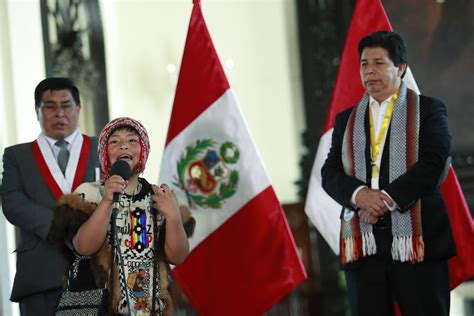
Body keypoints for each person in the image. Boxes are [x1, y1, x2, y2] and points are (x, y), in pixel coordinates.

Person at [321, 31, 456, 316]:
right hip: (364, 244)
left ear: (401, 68)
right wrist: (361, 196)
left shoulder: (429, 110)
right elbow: (330, 173)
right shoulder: (347, 119)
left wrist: (384, 200)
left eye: (379, 63)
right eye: (364, 64)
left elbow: (434, 162)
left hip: (417, 244)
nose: (369, 70)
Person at [48, 117, 194, 315]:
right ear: (104, 154)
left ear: (143, 151)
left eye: (133, 140)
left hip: (145, 306)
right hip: (93, 307)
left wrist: (174, 216)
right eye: (114, 141)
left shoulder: (160, 197)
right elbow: (83, 247)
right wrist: (107, 200)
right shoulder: (88, 193)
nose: (124, 145)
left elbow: (178, 256)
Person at [1, 77, 100, 315]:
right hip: (40, 273)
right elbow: (12, 203)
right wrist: (61, 226)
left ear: (78, 108)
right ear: (37, 111)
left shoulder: (102, 149)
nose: (59, 113)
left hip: (94, 272)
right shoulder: (18, 156)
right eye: (49, 106)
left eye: (66, 105)